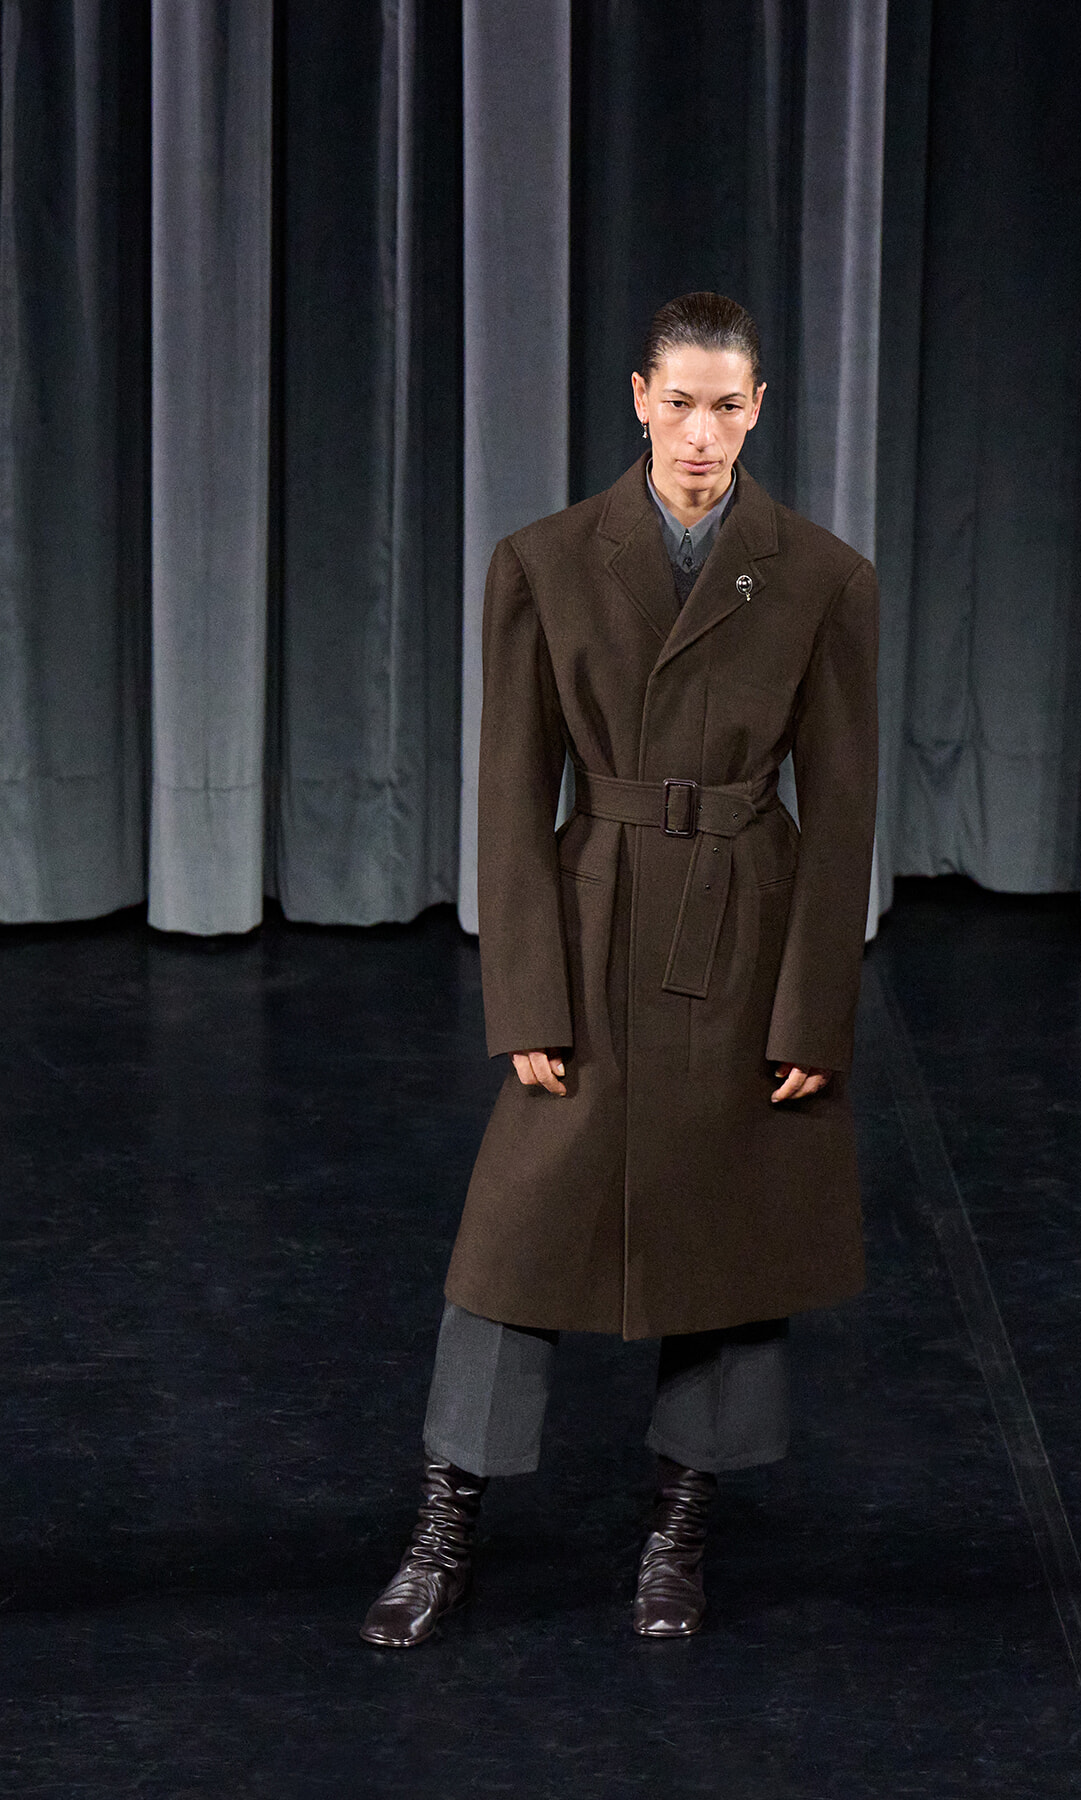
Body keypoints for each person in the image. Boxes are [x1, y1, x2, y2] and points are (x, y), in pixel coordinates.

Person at [361, 292, 879, 1648]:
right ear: (638, 399)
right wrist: (524, 989)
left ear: (760, 410)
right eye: (681, 401)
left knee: (728, 1233)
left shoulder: (820, 576)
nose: (702, 432)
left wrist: (813, 1005)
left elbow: (844, 810)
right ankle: (446, 1518)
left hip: (744, 926)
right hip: (593, 919)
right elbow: (509, 788)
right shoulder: (543, 561)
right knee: (511, 1243)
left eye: (729, 405)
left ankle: (680, 1525)